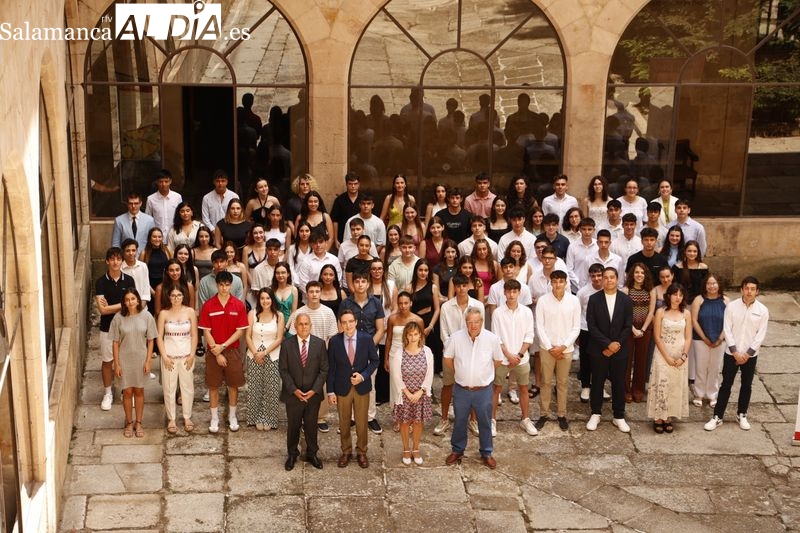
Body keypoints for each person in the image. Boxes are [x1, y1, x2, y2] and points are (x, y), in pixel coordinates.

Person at [704, 276, 769, 432]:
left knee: (746, 385)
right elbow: (727, 330)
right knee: (726, 384)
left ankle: (742, 414)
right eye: (746, 288)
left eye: (752, 289)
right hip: (731, 354)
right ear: (741, 289)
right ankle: (717, 416)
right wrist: (735, 352)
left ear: (757, 291)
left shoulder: (763, 311)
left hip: (750, 356)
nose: (749, 292)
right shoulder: (732, 307)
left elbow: (760, 335)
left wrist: (747, 354)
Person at [444, 307, 503, 469]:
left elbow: (498, 360)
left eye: (476, 322)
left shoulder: (491, 339)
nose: (473, 325)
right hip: (462, 390)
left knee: (485, 422)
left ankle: (486, 452)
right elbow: (448, 358)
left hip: (483, 390)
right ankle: (457, 450)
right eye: (470, 322)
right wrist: (460, 372)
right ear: (465, 322)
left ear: (482, 322)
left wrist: (483, 374)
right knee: (459, 420)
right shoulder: (456, 338)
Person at [327, 309, 380, 468]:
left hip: (361, 387)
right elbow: (331, 368)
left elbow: (375, 361)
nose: (348, 325)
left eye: (351, 321)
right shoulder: (334, 341)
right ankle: (346, 451)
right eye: (344, 322)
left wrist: (363, 376)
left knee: (362, 422)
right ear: (340, 324)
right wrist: (330, 391)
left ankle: (362, 451)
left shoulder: (366, 338)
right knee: (343, 422)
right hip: (342, 387)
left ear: (356, 322)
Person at [198, 271, 249, 433]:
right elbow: (206, 331)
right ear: (217, 285)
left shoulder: (239, 305)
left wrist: (223, 347)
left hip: (232, 351)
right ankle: (214, 418)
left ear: (231, 285)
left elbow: (240, 331)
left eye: (227, 285)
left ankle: (232, 416)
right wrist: (217, 352)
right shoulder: (208, 305)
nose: (224, 288)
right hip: (213, 351)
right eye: (221, 285)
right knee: (213, 386)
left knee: (233, 385)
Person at [585, 267, 634, 433]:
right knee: (597, 382)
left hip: (620, 350)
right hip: (598, 349)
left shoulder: (626, 300)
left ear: (617, 279)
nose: (609, 280)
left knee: (619, 383)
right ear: (602, 280)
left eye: (612, 277)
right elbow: (592, 326)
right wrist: (607, 345)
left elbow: (628, 325)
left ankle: (618, 416)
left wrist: (616, 345)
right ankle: (595, 413)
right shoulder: (594, 299)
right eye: (605, 277)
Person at [286, 281, 339, 432]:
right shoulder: (299, 313)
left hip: (322, 355)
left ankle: (321, 417)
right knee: (303, 386)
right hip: (303, 355)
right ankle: (304, 418)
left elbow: (332, 337)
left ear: (321, 293)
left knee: (320, 387)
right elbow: (292, 337)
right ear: (306, 294)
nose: (314, 294)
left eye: (317, 291)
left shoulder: (328, 312)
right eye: (311, 291)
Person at [279, 312, 328, 471]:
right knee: (293, 426)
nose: (303, 327)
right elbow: (283, 370)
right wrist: (294, 390)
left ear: (310, 326)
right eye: (300, 324)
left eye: (306, 324)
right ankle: (292, 454)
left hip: (313, 395)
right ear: (295, 326)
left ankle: (312, 453)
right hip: (293, 395)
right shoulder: (287, 345)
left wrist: (314, 390)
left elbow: (324, 370)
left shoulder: (320, 344)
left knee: (311, 425)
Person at [339, 271, 386, 434]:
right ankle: (352, 417)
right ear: (353, 284)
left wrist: (367, 346)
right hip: (349, 349)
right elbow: (341, 327)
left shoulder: (376, 303)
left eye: (363, 281)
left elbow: (380, 329)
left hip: (370, 350)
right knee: (350, 383)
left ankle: (370, 417)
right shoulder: (346, 303)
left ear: (368, 284)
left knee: (369, 384)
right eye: (357, 281)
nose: (360, 284)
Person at [436, 275, 484, 436]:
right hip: (451, 354)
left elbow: (480, 330)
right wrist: (453, 352)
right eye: (458, 286)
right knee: (447, 386)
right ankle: (444, 419)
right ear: (454, 287)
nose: (462, 289)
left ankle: (473, 420)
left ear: (468, 286)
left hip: (472, 353)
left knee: (473, 387)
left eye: (464, 285)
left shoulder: (478, 305)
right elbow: (444, 333)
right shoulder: (446, 307)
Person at [490, 279, 537, 436]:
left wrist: (519, 355)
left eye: (514, 291)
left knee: (523, 388)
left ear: (519, 293)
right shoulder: (497, 313)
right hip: (503, 359)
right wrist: (509, 355)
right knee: (496, 389)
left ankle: (525, 419)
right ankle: (492, 420)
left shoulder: (526, 312)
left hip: (521, 359)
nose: (511, 294)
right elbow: (496, 338)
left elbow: (529, 335)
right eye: (509, 291)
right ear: (504, 292)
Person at [534, 270, 580, 431]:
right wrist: (550, 347)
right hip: (547, 349)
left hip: (566, 349)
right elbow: (539, 326)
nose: (558, 284)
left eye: (561, 281)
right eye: (555, 281)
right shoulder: (543, 301)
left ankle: (562, 414)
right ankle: (543, 414)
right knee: (545, 382)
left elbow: (576, 327)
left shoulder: (574, 301)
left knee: (562, 383)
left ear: (566, 283)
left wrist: (563, 346)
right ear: (551, 283)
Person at [110, 288, 157, 438]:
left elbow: (151, 340)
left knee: (139, 391)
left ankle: (139, 422)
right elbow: (115, 342)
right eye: (127, 299)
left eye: (133, 298)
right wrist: (116, 364)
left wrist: (148, 361)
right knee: (127, 392)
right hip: (124, 359)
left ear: (138, 299)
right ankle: (129, 423)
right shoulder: (118, 318)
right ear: (124, 302)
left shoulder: (147, 316)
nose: (130, 302)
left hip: (141, 359)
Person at [95, 248, 137, 411]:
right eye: (112, 259)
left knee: (127, 361)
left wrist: (112, 306)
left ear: (122, 261)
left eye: (118, 259)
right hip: (107, 328)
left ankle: (126, 391)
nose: (115, 262)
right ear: (107, 261)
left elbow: (133, 305)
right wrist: (123, 304)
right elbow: (102, 310)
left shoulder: (129, 280)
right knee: (108, 361)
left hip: (127, 327)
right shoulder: (100, 282)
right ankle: (108, 393)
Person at [647, 283, 691, 433]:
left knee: (674, 385)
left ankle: (668, 416)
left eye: (680, 295)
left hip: (680, 354)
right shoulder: (660, 312)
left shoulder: (686, 313)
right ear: (668, 296)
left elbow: (688, 337)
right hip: (663, 353)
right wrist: (666, 357)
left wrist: (683, 356)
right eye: (675, 294)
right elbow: (657, 337)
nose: (678, 298)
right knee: (662, 383)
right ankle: (658, 417)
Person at [156, 284, 198, 434]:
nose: (176, 298)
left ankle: (187, 417)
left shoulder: (190, 312)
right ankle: (171, 418)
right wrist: (164, 356)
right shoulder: (164, 314)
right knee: (169, 388)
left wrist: (192, 355)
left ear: (183, 296)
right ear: (169, 297)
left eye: (179, 295)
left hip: (186, 356)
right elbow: (159, 337)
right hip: (169, 357)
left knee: (187, 387)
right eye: (173, 295)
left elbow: (194, 335)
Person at [391, 322, 434, 465]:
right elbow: (396, 375)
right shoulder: (399, 353)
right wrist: (407, 393)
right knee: (404, 422)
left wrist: (421, 391)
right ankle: (405, 449)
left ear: (420, 335)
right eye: (410, 334)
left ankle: (416, 449)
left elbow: (430, 373)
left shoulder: (427, 351)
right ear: (406, 336)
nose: (413, 337)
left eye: (416, 334)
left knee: (418, 422)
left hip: (421, 394)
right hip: (405, 395)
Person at [245, 288, 285, 431]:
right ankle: (255, 417)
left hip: (272, 355)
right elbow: (248, 336)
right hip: (253, 354)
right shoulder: (252, 314)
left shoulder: (279, 316)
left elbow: (279, 338)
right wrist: (256, 353)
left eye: (268, 298)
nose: (265, 301)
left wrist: (264, 353)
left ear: (272, 299)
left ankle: (269, 418)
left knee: (271, 387)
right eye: (262, 298)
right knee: (255, 387)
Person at [691, 273, 728, 407]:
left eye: (714, 283)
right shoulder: (698, 300)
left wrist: (720, 339)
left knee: (715, 368)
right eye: (709, 283)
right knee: (701, 367)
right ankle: (699, 394)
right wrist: (704, 338)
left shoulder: (726, 301)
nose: (711, 286)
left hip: (720, 340)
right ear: (705, 285)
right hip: (700, 339)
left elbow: (729, 323)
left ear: (719, 285)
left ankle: (712, 394)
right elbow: (694, 320)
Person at [621, 263, 656, 403]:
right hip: (628, 328)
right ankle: (626, 390)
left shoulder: (651, 290)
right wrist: (633, 329)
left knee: (642, 360)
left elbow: (651, 312)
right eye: (637, 272)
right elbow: (624, 313)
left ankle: (638, 390)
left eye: (642, 272)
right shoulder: (626, 290)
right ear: (632, 274)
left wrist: (643, 329)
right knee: (627, 360)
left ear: (646, 275)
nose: (639, 275)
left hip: (645, 329)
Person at [384, 292, 424, 415]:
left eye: (406, 303)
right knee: (396, 385)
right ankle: (397, 415)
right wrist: (386, 359)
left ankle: (410, 414)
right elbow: (388, 339)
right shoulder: (392, 318)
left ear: (411, 303)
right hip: (394, 355)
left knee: (410, 384)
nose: (403, 306)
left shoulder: (418, 320)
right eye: (400, 303)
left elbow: (422, 341)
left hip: (412, 356)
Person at [576, 263, 605, 402]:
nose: (597, 278)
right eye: (593, 276)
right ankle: (586, 386)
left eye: (599, 275)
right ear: (590, 276)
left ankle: (600, 386)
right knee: (585, 359)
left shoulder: (609, 290)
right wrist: (577, 333)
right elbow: (577, 312)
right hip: (586, 329)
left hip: (603, 331)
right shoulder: (583, 292)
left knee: (602, 360)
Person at [295, 230, 341, 298]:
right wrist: (316, 296)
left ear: (326, 243)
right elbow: (303, 284)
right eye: (315, 243)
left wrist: (327, 295)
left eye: (321, 242)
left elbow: (338, 279)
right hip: (310, 298)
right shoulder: (306, 261)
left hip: (330, 297)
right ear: (311, 244)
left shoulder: (334, 260)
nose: (318, 245)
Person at [141, 228, 171, 314]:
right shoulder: (144, 253)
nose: (157, 239)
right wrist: (153, 292)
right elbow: (142, 275)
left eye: (159, 237)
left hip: (165, 287)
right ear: (149, 238)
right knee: (152, 313)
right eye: (154, 237)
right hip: (149, 288)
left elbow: (171, 269)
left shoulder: (167, 251)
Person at [330, 172, 363, 248]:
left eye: (355, 184)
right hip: (342, 238)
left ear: (359, 184)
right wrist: (335, 239)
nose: (353, 186)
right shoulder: (339, 200)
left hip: (361, 238)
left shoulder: (363, 199)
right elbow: (335, 221)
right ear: (346, 184)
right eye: (350, 184)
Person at [145, 169, 182, 234]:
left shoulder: (177, 197)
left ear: (170, 181)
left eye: (166, 181)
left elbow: (181, 216)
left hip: (175, 234)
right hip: (158, 236)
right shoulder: (151, 199)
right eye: (161, 182)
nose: (163, 184)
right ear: (157, 182)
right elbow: (147, 219)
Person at [672, 240, 708, 305]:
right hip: (682, 302)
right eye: (689, 251)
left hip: (699, 301)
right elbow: (674, 286)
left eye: (695, 251)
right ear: (685, 251)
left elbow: (706, 286)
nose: (692, 253)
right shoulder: (677, 267)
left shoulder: (703, 267)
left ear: (698, 252)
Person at [566, 218, 598, 291]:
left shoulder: (598, 246)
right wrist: (578, 284)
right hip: (576, 288)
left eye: (589, 229)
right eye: (584, 229)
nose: (587, 232)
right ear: (580, 230)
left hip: (595, 287)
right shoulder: (572, 247)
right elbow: (569, 269)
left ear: (594, 230)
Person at [121, 238, 151, 309]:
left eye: (133, 250)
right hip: (126, 308)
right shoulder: (120, 269)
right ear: (123, 252)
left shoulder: (143, 266)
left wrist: (140, 307)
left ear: (137, 251)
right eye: (128, 251)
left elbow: (146, 289)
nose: (131, 253)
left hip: (142, 307)